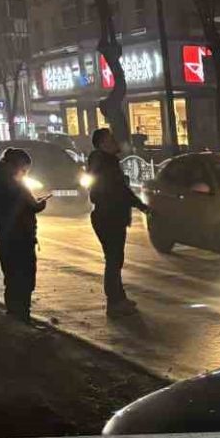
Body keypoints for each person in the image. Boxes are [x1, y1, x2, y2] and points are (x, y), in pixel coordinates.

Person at [85, 127, 146, 317]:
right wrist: (141, 206)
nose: (115, 142)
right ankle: (114, 303)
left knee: (115, 259)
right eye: (111, 139)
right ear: (103, 144)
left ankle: (119, 298)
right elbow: (120, 191)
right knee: (113, 260)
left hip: (108, 215)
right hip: (110, 217)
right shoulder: (106, 164)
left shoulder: (103, 162)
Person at [0, 146, 46, 323]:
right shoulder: (14, 183)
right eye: (24, 170)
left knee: (11, 276)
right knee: (24, 277)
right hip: (21, 237)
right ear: (17, 166)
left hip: (3, 236)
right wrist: (39, 204)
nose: (25, 174)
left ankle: (14, 314)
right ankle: (22, 316)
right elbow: (29, 205)